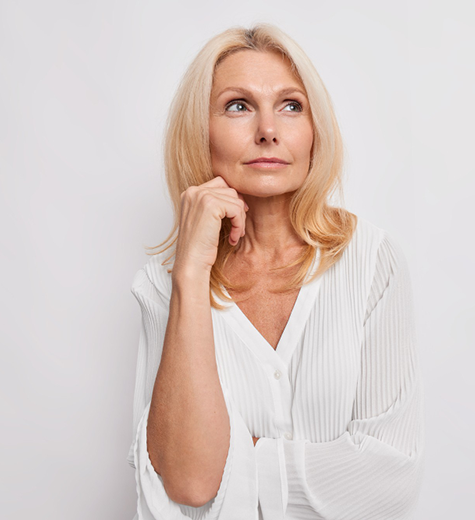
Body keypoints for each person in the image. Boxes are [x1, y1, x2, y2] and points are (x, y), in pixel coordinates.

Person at [127, 23, 424, 520]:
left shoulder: (373, 262)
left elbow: (391, 477)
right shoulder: (165, 286)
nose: (268, 129)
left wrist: (240, 460)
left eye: (290, 105)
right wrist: (191, 272)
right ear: (200, 132)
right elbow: (188, 481)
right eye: (238, 105)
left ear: (314, 131)